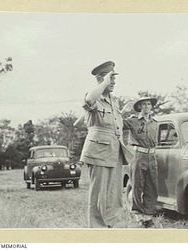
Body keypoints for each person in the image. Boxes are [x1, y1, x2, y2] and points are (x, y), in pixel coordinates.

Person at [80, 61, 133, 228]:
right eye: (111, 79)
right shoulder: (94, 96)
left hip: (114, 150)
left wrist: (123, 111)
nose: (114, 82)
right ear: (101, 79)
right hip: (99, 151)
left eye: (114, 79)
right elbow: (89, 100)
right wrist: (104, 83)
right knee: (98, 193)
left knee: (113, 191)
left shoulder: (113, 101)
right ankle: (97, 228)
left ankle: (110, 224)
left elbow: (114, 124)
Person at [122, 96, 158, 228]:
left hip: (152, 156)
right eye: (143, 104)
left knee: (152, 185)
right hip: (138, 155)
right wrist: (123, 110)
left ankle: (148, 215)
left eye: (149, 104)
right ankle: (138, 213)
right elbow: (117, 123)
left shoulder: (155, 123)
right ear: (139, 107)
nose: (146, 106)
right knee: (137, 185)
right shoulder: (133, 121)